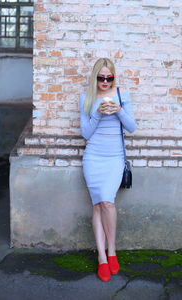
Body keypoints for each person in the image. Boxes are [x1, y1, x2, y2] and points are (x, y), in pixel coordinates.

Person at [79, 58, 136, 282]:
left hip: (114, 158)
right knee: (98, 205)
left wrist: (119, 110)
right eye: (100, 77)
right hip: (93, 157)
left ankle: (112, 250)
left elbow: (131, 127)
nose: (104, 81)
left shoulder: (122, 95)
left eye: (109, 77)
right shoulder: (87, 98)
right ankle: (102, 257)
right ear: (95, 77)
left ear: (114, 76)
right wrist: (98, 113)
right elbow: (85, 133)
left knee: (108, 202)